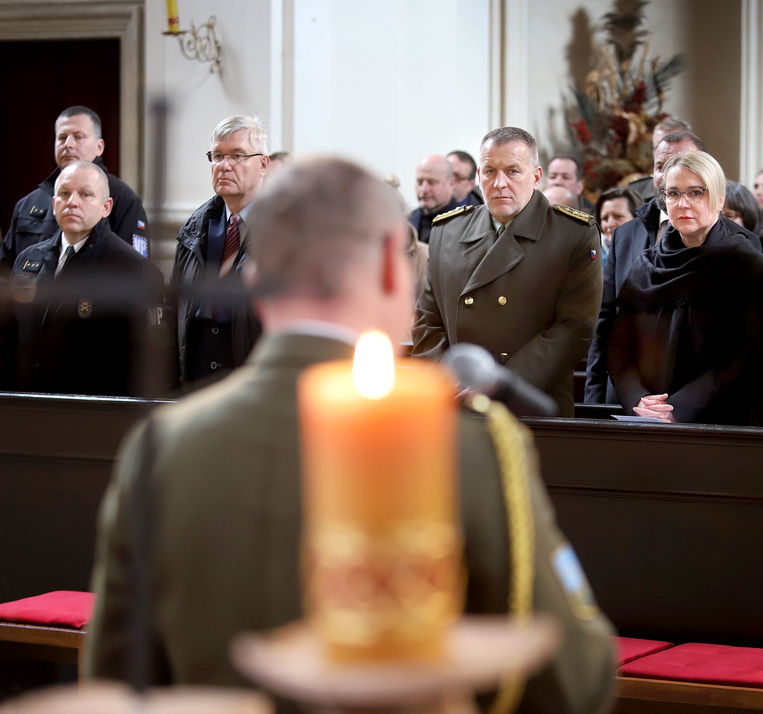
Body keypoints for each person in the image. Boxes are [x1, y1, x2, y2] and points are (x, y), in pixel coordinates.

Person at [83, 156, 617, 714]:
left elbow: (117, 684)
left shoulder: (161, 447)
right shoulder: (468, 447)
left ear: (254, 277)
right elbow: (573, 681)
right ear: (394, 264)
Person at [413, 127, 603, 418]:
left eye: (513, 171)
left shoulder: (571, 234)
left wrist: (496, 385)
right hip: (455, 405)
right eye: (490, 171)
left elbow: (574, 329)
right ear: (479, 175)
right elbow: (428, 321)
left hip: (529, 403)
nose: (499, 183)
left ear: (536, 177)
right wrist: (448, 383)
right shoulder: (447, 231)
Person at [606, 151, 763, 425]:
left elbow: (750, 355)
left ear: (719, 199)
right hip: (648, 422)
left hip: (722, 424)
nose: (683, 203)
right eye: (673, 194)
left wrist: (679, 408)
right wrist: (638, 399)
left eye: (696, 192)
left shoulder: (746, 265)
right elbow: (618, 347)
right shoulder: (646, 266)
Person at [8, 161, 169, 397]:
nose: (72, 202)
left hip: (93, 412)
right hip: (27, 405)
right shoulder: (28, 258)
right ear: (54, 204)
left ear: (106, 207)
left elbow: (148, 361)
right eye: (64, 193)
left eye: (85, 194)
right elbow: (12, 336)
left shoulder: (134, 269)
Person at [583, 130, 704, 404]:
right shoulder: (626, 235)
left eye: (680, 163)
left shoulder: (730, 240)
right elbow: (606, 321)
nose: (667, 175)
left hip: (693, 404)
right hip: (627, 397)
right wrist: (593, 398)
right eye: (661, 166)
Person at [173, 115, 267, 388]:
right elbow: (172, 310)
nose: (224, 166)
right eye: (217, 156)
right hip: (195, 378)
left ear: (263, 164)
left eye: (237, 155)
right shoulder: (194, 228)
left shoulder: (284, 232)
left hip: (252, 380)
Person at [2, 106, 149, 274]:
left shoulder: (122, 198)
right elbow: (6, 270)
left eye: (78, 137)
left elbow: (134, 268)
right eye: (62, 138)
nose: (68, 145)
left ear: (99, 147)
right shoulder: (28, 203)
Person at [627, 117, 692, 201]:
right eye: (658, 147)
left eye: (672, 147)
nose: (664, 153)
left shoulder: (704, 188)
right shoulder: (636, 192)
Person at [411, 154, 461, 244]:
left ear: (451, 183)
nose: (424, 189)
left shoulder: (464, 225)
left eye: (432, 182)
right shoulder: (409, 219)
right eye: (420, 182)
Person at [595, 187, 642, 266]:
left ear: (637, 218)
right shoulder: (592, 256)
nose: (610, 224)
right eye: (605, 218)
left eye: (618, 216)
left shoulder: (652, 254)